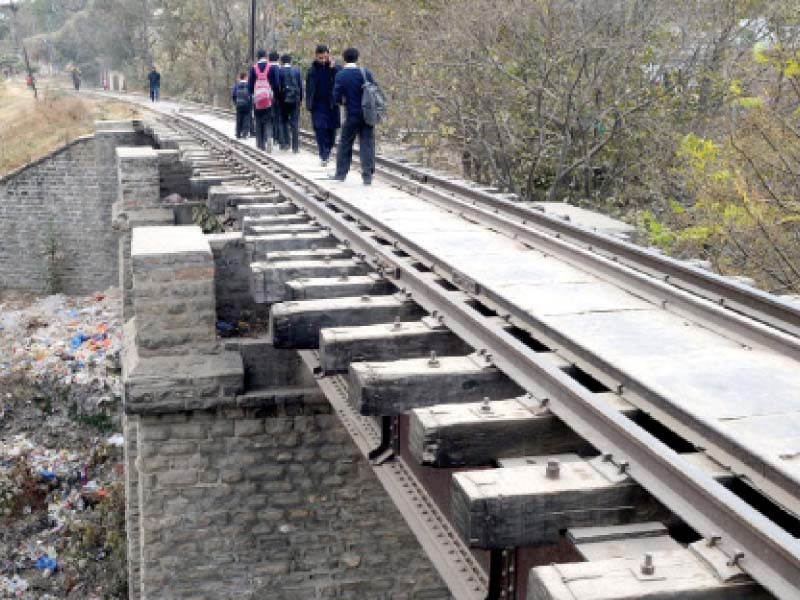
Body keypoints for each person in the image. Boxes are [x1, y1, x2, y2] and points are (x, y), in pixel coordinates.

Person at [331, 47, 377, 185]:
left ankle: (341, 174)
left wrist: (341, 101)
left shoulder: (341, 75)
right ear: (357, 58)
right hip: (367, 114)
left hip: (351, 114)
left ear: (344, 58)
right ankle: (367, 176)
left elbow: (336, 96)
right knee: (367, 143)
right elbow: (374, 89)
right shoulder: (365, 72)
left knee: (345, 143)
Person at [306, 44, 341, 166]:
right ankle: (323, 154)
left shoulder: (336, 68)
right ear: (316, 57)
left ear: (328, 55)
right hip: (318, 104)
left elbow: (341, 80)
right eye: (320, 58)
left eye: (324, 58)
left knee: (331, 132)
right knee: (319, 129)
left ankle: (328, 150)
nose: (322, 60)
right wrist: (309, 104)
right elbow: (309, 88)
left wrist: (334, 68)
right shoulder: (312, 70)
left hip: (332, 103)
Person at [248, 49, 281, 152]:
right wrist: (274, 94)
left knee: (258, 120)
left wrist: (252, 95)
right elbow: (276, 83)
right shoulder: (270, 67)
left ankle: (260, 144)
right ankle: (269, 137)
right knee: (268, 120)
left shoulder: (254, 68)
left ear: (257, 57)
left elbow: (250, 85)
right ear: (266, 57)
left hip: (257, 99)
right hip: (268, 98)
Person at [278, 54, 303, 153]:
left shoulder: (280, 71)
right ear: (291, 61)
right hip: (294, 100)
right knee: (294, 123)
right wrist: (300, 99)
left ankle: (285, 144)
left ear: (282, 61)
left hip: (283, 100)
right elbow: (300, 86)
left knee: (283, 121)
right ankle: (295, 147)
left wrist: (279, 98)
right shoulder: (296, 71)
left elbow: (277, 86)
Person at [231, 72, 252, 139]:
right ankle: (245, 134)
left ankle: (238, 134)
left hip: (239, 104)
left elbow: (234, 95)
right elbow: (251, 95)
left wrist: (236, 103)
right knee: (246, 119)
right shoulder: (249, 85)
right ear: (245, 77)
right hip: (247, 105)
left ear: (240, 77)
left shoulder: (236, 85)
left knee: (239, 119)